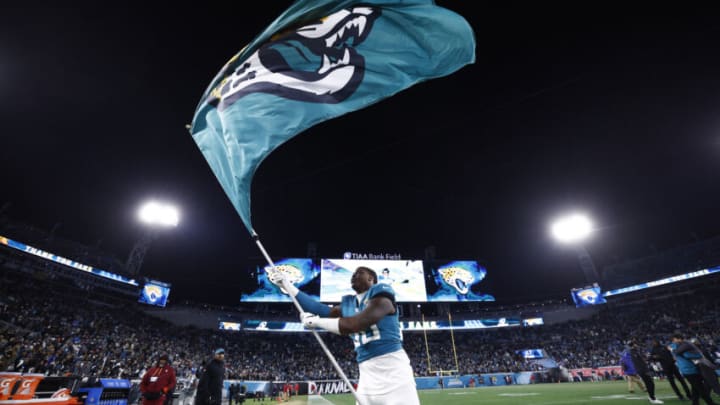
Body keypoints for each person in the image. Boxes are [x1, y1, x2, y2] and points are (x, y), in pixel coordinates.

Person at [270, 266, 420, 405]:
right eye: (353, 274)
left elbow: (355, 324)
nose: (354, 275)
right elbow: (318, 308)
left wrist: (315, 322)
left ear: (371, 279)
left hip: (394, 374)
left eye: (360, 273)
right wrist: (287, 286)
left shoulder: (383, 298)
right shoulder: (350, 305)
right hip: (367, 377)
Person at [670, 334, 717, 405]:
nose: (673, 341)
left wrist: (673, 350)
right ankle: (710, 403)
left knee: (695, 388)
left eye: (674, 340)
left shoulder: (680, 346)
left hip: (689, 370)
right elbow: (688, 355)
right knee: (701, 388)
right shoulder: (682, 346)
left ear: (679, 339)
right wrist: (698, 355)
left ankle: (695, 403)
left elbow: (677, 353)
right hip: (690, 370)